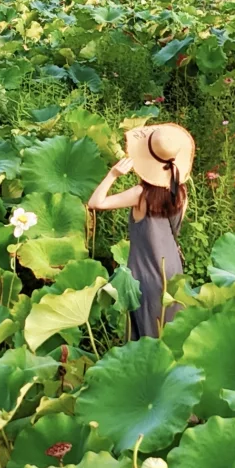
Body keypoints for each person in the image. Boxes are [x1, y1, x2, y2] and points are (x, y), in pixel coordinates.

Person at [87, 122, 195, 338]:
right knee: (170, 333)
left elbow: (95, 202)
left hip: (146, 272)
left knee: (146, 336)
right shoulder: (181, 194)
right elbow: (175, 231)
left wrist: (113, 174)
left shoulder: (140, 194)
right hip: (172, 270)